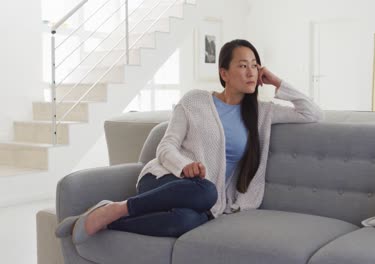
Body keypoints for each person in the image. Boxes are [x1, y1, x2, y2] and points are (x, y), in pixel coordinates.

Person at [56, 39, 323, 243]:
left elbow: (311, 112)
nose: (251, 72)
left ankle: (107, 219)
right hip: (165, 181)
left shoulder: (262, 114)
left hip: (203, 201)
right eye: (243, 65)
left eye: (255, 65)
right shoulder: (194, 101)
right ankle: (120, 206)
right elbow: (165, 147)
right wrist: (184, 166)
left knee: (184, 221)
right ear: (224, 73)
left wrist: (276, 81)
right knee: (205, 190)